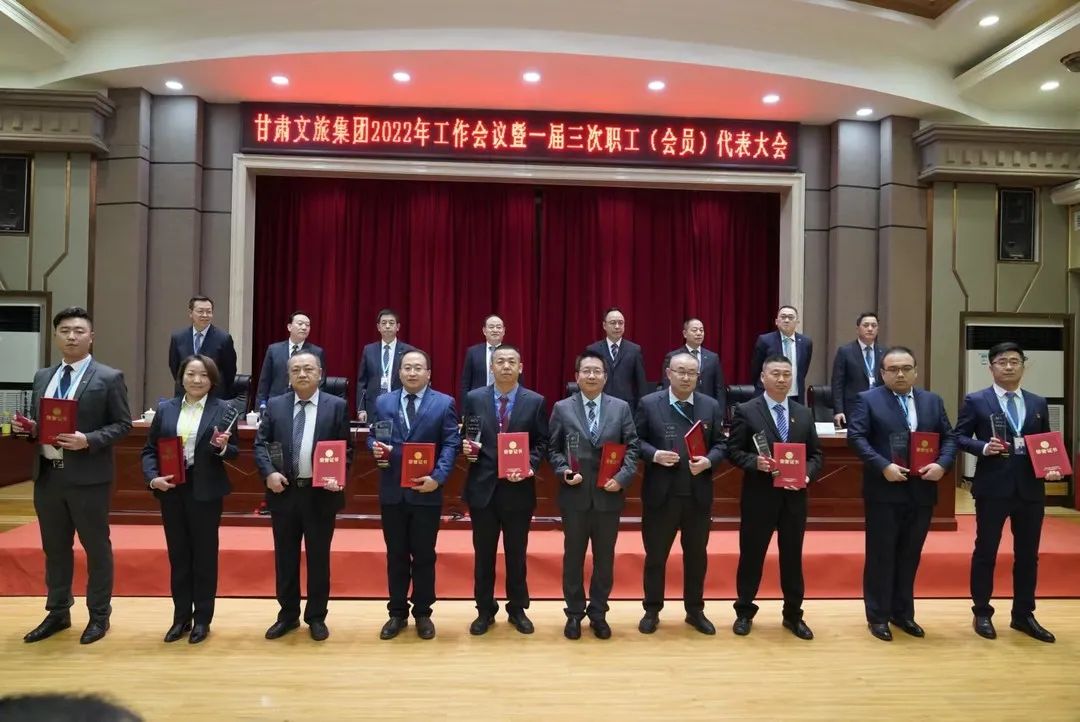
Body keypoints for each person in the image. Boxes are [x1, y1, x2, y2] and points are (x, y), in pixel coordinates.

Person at [15, 307, 132, 645]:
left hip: (89, 478)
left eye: (79, 331)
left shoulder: (108, 377)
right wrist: (32, 430)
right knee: (54, 549)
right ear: (56, 336)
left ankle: (99, 616)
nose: (71, 336)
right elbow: (43, 422)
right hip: (48, 476)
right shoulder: (43, 376)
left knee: (96, 549)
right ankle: (58, 612)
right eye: (65, 330)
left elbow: (123, 424)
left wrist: (89, 439)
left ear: (91, 337)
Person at [847, 346, 956, 642]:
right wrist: (883, 465)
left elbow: (949, 438)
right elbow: (856, 437)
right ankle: (878, 616)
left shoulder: (932, 401)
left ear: (916, 372)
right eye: (893, 369)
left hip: (922, 491)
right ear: (882, 373)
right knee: (881, 555)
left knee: (910, 555)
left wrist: (943, 464)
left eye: (906, 368)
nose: (900, 374)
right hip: (885, 489)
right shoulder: (868, 399)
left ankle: (903, 614)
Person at [954, 341, 1059, 643]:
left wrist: (1051, 466)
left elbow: (1045, 442)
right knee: (986, 550)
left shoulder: (1037, 402)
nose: (1009, 366)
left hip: (1030, 488)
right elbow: (958, 436)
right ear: (991, 367)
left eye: (1015, 361)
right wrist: (982, 447)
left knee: (1028, 555)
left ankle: (1023, 614)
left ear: (1024, 365)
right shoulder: (977, 400)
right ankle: (982, 612)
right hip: (993, 487)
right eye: (1002, 362)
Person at [254, 352, 352, 642]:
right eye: (296, 369)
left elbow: (346, 449)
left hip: (320, 495)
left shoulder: (336, 406)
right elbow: (260, 445)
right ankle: (287, 615)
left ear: (320, 373)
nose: (302, 374)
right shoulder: (275, 405)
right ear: (288, 376)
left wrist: (338, 476)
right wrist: (269, 473)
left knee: (318, 559)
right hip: (284, 492)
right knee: (285, 558)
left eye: (308, 369)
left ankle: (316, 617)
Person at [141, 355, 238, 644]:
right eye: (191, 374)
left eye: (204, 375)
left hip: (205, 490)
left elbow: (234, 452)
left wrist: (223, 448)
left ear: (212, 380)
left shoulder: (225, 409)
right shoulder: (166, 409)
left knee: (204, 557)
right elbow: (149, 450)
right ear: (181, 377)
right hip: (172, 488)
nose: (197, 380)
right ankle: (180, 617)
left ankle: (202, 619)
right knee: (179, 555)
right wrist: (153, 478)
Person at [727, 354, 823, 640]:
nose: (782, 379)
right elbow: (733, 451)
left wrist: (806, 475)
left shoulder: (803, 413)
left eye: (786, 374)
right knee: (752, 556)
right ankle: (744, 611)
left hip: (794, 498)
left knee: (792, 558)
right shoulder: (746, 410)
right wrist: (753, 462)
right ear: (763, 377)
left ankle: (793, 615)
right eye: (776, 374)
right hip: (759, 497)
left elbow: (816, 455)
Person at [548, 349, 640, 640]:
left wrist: (622, 478)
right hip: (575, 496)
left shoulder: (621, 408)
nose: (591, 376)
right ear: (577, 377)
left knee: (604, 560)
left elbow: (633, 448)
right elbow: (553, 449)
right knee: (573, 558)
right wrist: (563, 470)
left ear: (605, 376)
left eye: (597, 371)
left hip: (608, 496)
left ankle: (598, 613)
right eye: (586, 371)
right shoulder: (562, 408)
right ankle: (574, 614)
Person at [370, 350, 460, 640]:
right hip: (393, 492)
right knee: (396, 555)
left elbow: (451, 443)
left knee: (424, 556)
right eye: (407, 368)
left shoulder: (444, 403)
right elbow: (374, 435)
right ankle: (396, 613)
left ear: (428, 373)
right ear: (399, 373)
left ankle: (423, 612)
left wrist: (438, 478)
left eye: (418, 368)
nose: (412, 372)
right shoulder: (383, 402)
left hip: (426, 492)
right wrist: (374, 447)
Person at [635, 352, 726, 635]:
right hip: (661, 496)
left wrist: (709, 460)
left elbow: (722, 444)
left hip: (697, 496)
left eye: (691, 373)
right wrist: (654, 455)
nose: (686, 377)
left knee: (696, 557)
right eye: (680, 371)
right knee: (656, 556)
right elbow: (634, 441)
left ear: (698, 377)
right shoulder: (649, 404)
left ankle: (695, 610)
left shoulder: (710, 405)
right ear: (668, 373)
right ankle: (652, 609)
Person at [460, 345, 548, 635]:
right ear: (492, 367)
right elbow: (467, 434)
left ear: (521, 367)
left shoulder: (535, 401)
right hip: (483, 489)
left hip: (518, 490)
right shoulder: (475, 398)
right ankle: (484, 610)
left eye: (512, 362)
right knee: (484, 555)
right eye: (500, 361)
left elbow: (542, 442)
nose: (506, 366)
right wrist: (466, 447)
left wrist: (529, 464)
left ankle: (517, 609)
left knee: (516, 554)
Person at [168, 296, 237, 398]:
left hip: (213, 396)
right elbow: (175, 368)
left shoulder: (224, 338)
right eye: (200, 311)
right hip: (185, 394)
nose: (205, 315)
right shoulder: (178, 338)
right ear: (191, 313)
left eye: (209, 312)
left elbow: (230, 372)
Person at [255, 311, 325, 408]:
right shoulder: (274, 350)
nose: (304, 327)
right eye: (300, 324)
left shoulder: (316, 352)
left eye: (307, 325)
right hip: (276, 403)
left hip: (303, 403)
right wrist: (259, 408)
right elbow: (264, 382)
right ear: (289, 327)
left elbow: (320, 382)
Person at [356, 308, 414, 422]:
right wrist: (361, 409)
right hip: (373, 405)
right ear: (378, 327)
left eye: (391, 323)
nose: (387, 326)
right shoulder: (369, 350)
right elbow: (362, 382)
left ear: (398, 327)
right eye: (384, 323)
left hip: (399, 405)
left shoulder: (408, 351)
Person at [586, 307, 649, 410]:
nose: (617, 326)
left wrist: (641, 410)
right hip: (600, 405)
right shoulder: (593, 350)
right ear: (604, 325)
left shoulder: (634, 350)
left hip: (627, 407)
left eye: (620, 323)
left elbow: (641, 384)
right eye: (613, 323)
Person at [749, 305, 812, 405]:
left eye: (790, 317)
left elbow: (803, 370)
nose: (786, 320)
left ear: (797, 322)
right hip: (769, 394)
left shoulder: (806, 342)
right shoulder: (765, 340)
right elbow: (756, 370)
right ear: (776, 321)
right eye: (783, 317)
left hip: (794, 395)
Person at [659, 318, 726, 409]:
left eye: (701, 330)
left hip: (706, 406)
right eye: (694, 330)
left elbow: (719, 388)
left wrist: (720, 411)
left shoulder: (713, 357)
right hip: (681, 406)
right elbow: (667, 384)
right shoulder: (673, 356)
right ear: (685, 334)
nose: (699, 333)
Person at [831, 312, 884, 427]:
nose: (870, 329)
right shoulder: (845, 351)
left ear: (878, 329)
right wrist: (838, 411)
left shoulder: (884, 352)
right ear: (857, 329)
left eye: (874, 326)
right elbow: (837, 384)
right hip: (854, 408)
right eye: (866, 325)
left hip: (879, 408)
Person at [459, 314, 507, 405]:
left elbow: (518, 382)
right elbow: (465, 383)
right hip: (478, 403)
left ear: (503, 331)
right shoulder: (473, 352)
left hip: (504, 402)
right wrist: (465, 409)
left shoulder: (511, 352)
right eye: (491, 327)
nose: (495, 330)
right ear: (484, 331)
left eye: (498, 327)